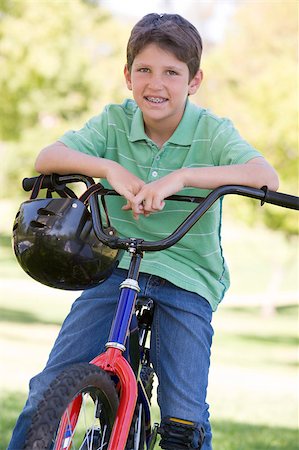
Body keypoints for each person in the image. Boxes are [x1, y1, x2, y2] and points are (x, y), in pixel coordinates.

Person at [8, 12, 279, 450]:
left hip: (188, 276)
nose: (156, 84)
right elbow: (47, 157)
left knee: (183, 420)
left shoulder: (212, 132)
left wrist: (184, 177)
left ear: (194, 81)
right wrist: (107, 168)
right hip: (115, 267)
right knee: (47, 390)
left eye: (172, 72)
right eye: (145, 70)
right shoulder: (115, 121)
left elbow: (264, 175)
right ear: (128, 76)